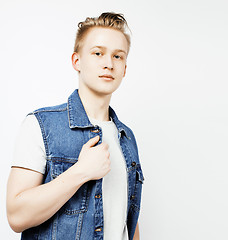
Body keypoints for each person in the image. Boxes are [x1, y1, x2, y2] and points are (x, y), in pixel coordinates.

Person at [6, 12, 144, 240]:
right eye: (98, 53)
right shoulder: (41, 125)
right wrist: (80, 172)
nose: (109, 64)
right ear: (76, 61)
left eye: (118, 56)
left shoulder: (126, 137)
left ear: (125, 69)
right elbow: (16, 217)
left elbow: (128, 222)